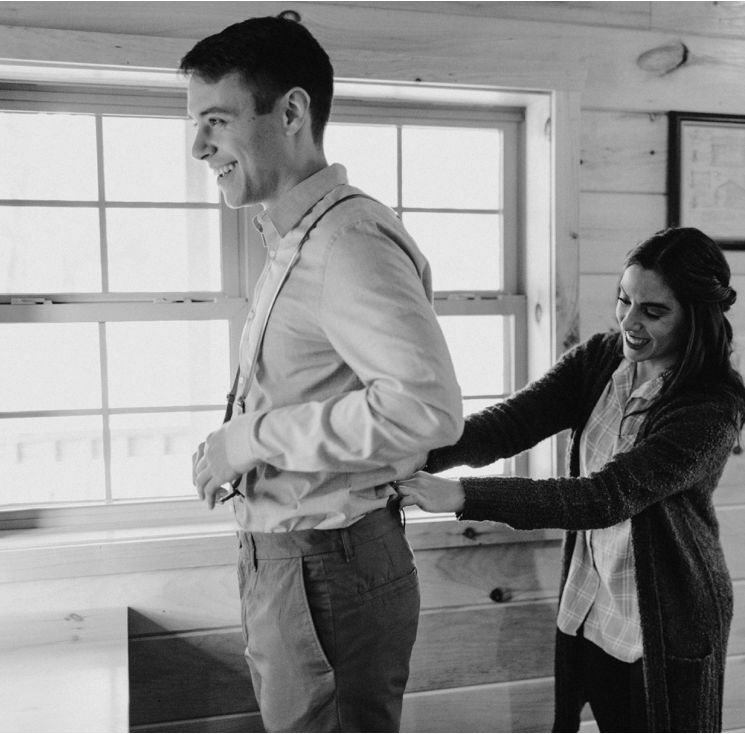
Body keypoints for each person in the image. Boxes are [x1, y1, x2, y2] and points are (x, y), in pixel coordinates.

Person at [184, 14, 463, 733]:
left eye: (216, 121)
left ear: (293, 112)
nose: (197, 147)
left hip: (326, 571)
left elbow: (425, 410)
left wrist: (251, 439)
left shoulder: (347, 242)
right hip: (296, 566)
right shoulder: (294, 238)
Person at [398, 227, 745, 733]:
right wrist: (414, 454)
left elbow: (605, 498)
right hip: (590, 606)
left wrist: (462, 496)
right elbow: (510, 424)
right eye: (624, 300)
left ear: (696, 316)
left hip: (663, 626)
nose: (629, 321)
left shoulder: (712, 406)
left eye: (653, 311)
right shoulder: (602, 360)